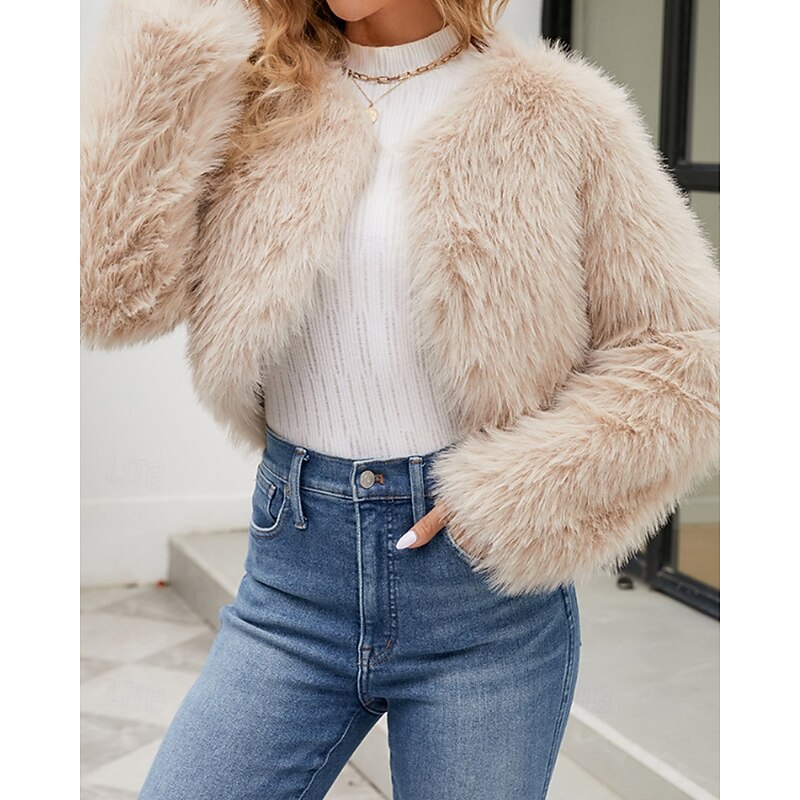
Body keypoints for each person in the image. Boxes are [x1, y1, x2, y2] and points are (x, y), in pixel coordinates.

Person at [80, 0, 720, 797]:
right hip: (293, 582)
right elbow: (109, 296)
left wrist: (511, 493)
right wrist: (171, 42)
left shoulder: (560, 114)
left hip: (478, 603)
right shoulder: (259, 97)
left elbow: (684, 353)